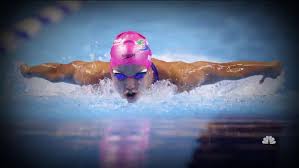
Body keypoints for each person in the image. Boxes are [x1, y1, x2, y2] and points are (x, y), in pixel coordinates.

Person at [20, 31, 282, 102]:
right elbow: (57, 71)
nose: (130, 85)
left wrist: (268, 67)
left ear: (150, 69)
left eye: (139, 75)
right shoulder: (90, 75)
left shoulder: (180, 78)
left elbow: (223, 69)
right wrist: (28, 71)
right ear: (111, 70)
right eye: (120, 76)